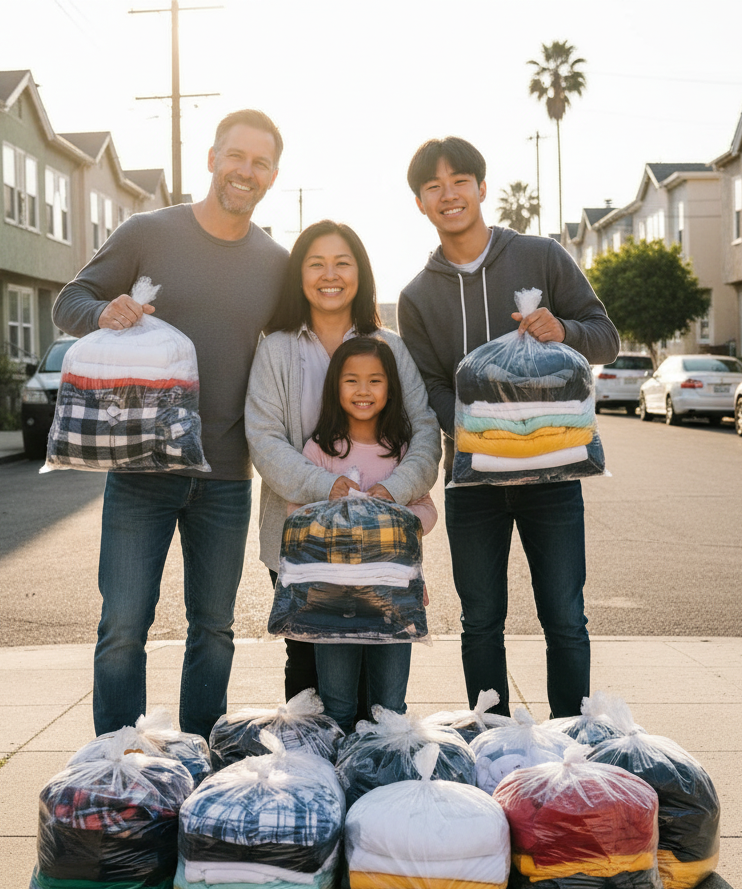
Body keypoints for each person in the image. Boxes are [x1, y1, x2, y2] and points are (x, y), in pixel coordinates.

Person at [52, 109, 288, 740]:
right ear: (211, 158)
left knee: (213, 627)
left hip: (226, 476)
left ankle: (199, 758)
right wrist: (107, 310)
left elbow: (307, 344)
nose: (246, 171)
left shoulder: (274, 262)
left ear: (272, 176)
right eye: (236, 156)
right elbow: (68, 302)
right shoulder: (148, 232)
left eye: (260, 163)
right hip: (141, 468)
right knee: (124, 625)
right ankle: (116, 763)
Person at [397, 136, 620, 719]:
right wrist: (490, 430)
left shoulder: (541, 256)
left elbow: (607, 337)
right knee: (480, 619)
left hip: (555, 472)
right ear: (420, 202)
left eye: (459, 181)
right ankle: (491, 737)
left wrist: (563, 330)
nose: (449, 194)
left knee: (565, 615)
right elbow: (429, 389)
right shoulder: (417, 295)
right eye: (433, 186)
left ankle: (574, 739)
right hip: (474, 479)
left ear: (482, 188)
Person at [245, 220, 441, 703]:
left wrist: (391, 496)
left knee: (380, 655)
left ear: (360, 272)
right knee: (308, 658)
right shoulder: (276, 348)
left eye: (342, 262)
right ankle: (314, 768)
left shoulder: (390, 346)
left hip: (384, 543)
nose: (329, 274)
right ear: (300, 275)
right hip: (302, 536)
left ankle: (373, 763)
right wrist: (324, 488)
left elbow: (425, 429)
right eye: (316, 263)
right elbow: (264, 438)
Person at [298, 337, 437, 732]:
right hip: (332, 600)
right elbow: (298, 515)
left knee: (390, 706)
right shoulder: (321, 451)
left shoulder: (401, 449)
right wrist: (333, 508)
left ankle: (383, 779)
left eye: (375, 380)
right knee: (338, 704)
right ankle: (342, 779)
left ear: (390, 387)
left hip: (394, 596)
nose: (363, 390)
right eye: (351, 380)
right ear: (335, 387)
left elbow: (427, 509)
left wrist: (392, 512)